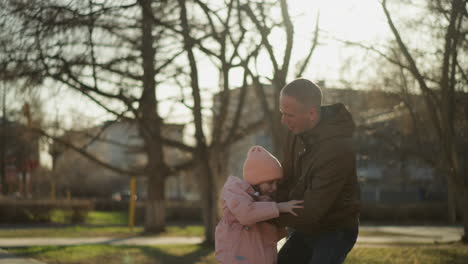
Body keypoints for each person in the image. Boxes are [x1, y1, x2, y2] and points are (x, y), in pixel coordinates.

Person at [275, 78, 360, 264]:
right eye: (282, 113)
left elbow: (313, 210)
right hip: (305, 225)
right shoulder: (295, 134)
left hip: (335, 229)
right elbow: (286, 178)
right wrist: (259, 201)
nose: (283, 120)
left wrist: (266, 214)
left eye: (289, 115)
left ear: (312, 114)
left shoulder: (338, 149)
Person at [215, 145, 304, 264]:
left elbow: (273, 234)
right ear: (256, 179)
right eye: (270, 183)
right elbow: (246, 214)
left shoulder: (265, 201)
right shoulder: (234, 191)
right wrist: (279, 207)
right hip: (237, 258)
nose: (274, 187)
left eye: (277, 183)